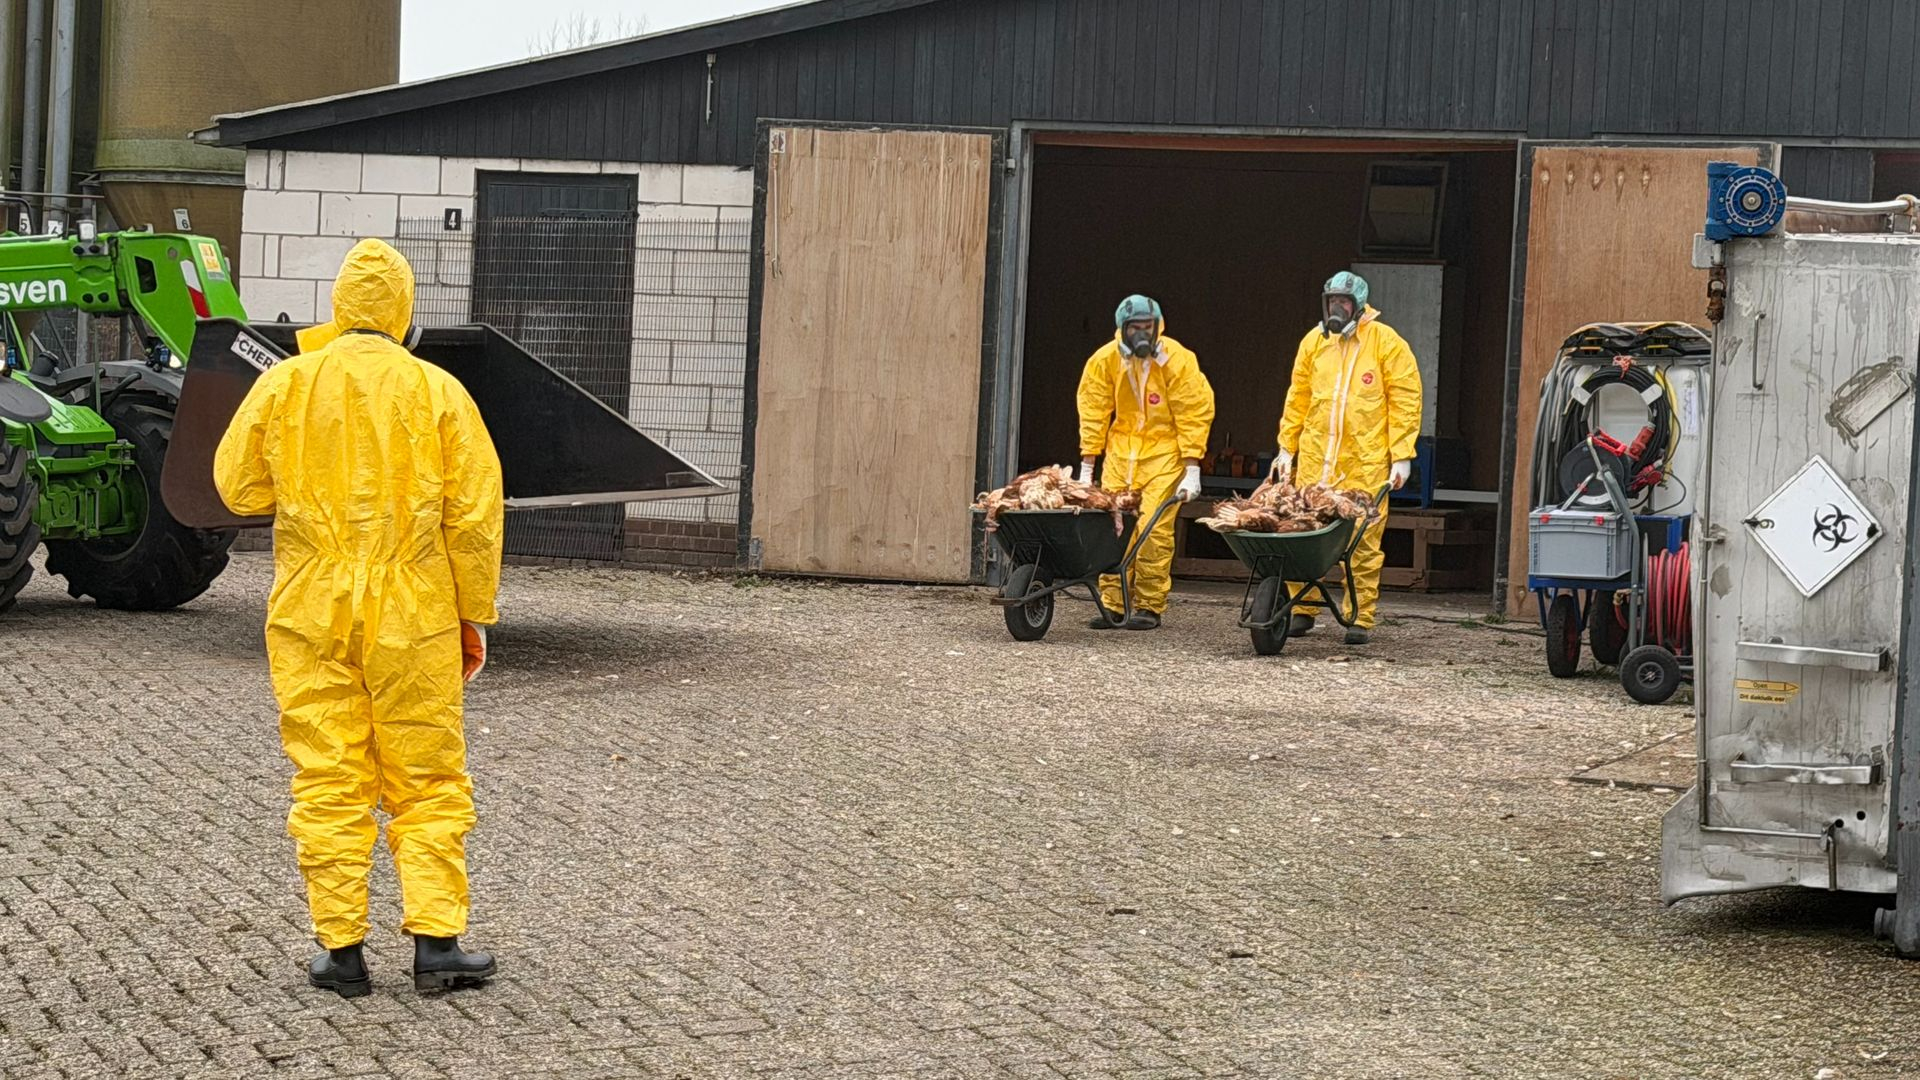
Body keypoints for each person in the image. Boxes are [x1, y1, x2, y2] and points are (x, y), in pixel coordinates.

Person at [214, 238, 505, 997]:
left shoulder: (286, 384)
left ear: (340, 306)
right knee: (427, 773)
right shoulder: (440, 392)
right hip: (415, 605)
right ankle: (438, 943)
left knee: (328, 772)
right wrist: (472, 616)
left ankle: (340, 952)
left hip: (312, 601)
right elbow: (475, 518)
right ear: (404, 310)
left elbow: (236, 488)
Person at [1271, 271, 1422, 646]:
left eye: (1344, 302)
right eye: (1331, 302)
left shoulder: (1387, 343)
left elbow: (1405, 400)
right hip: (1315, 461)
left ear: (1359, 305)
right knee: (1303, 533)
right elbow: (1298, 398)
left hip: (1366, 462)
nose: (1336, 308)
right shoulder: (1313, 343)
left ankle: (1359, 616)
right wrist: (1286, 447)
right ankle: (1302, 609)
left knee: (1363, 540)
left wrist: (1401, 454)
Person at [1075, 294, 1215, 630]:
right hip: (1121, 450)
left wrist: (1192, 466)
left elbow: (1193, 410)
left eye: (1147, 327)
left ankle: (1149, 605)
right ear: (1122, 329)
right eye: (1134, 327)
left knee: (1154, 528)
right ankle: (1114, 604)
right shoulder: (1105, 360)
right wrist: (1087, 466)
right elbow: (1093, 410)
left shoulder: (1177, 360)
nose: (1142, 334)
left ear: (1158, 327)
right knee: (1114, 528)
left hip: (1164, 452)